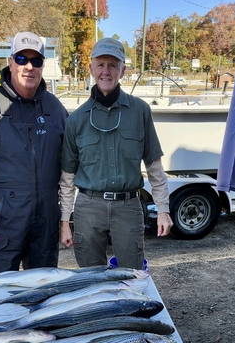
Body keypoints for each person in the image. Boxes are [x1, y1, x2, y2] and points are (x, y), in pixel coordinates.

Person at [0, 32, 68, 319]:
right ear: (10, 62)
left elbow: (72, 162)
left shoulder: (55, 109)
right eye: (22, 59)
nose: (28, 66)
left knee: (43, 288)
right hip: (3, 219)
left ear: (43, 65)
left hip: (45, 218)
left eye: (36, 60)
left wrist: (68, 215)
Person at [59, 37, 173, 270]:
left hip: (128, 207)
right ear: (91, 69)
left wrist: (163, 210)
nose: (106, 71)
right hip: (88, 207)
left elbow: (154, 167)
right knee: (92, 277)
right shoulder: (76, 120)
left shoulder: (140, 111)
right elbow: (67, 178)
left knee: (132, 275)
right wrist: (64, 222)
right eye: (101, 64)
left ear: (123, 70)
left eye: (113, 65)